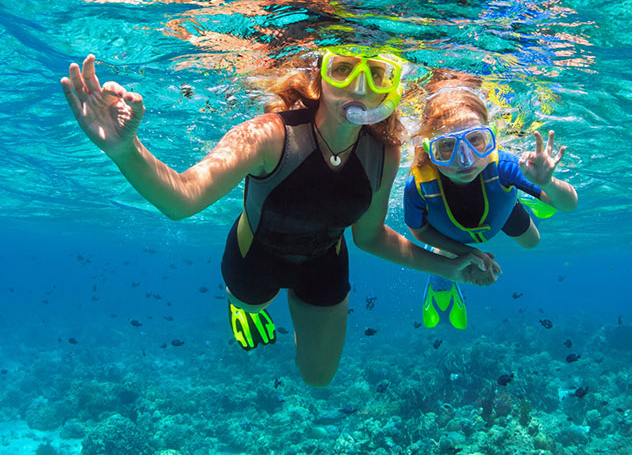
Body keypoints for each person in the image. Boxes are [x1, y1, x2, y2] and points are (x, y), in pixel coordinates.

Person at [60, 47, 498, 387]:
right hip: (256, 256)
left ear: (390, 87)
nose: (359, 88)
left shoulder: (385, 152)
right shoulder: (270, 134)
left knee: (318, 378)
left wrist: (450, 266)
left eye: (377, 74)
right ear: (319, 76)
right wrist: (124, 149)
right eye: (343, 69)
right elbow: (183, 199)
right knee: (251, 303)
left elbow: (369, 237)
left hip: (325, 261)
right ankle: (243, 306)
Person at [404, 72, 578, 330]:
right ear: (430, 150)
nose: (465, 160)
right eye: (447, 147)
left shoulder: (505, 166)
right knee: (449, 255)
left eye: (476, 141)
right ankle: (442, 278)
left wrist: (547, 183)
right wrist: (467, 253)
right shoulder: (419, 185)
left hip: (501, 210)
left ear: (491, 138)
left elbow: (569, 205)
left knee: (533, 242)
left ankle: (530, 195)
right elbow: (418, 231)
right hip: (449, 234)